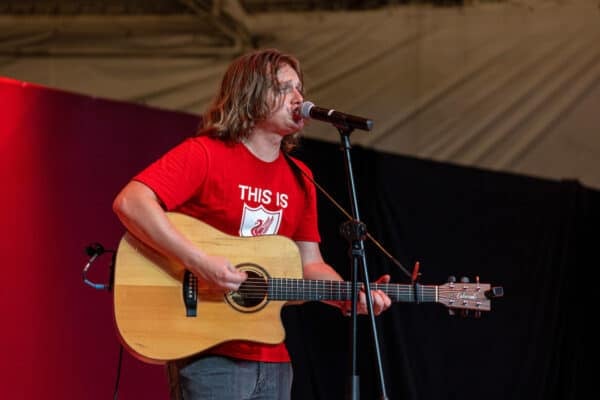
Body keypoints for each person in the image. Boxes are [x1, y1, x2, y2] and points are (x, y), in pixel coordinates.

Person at [112, 48, 392, 400]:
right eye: (283, 88)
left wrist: (346, 296)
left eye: (299, 88)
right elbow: (131, 202)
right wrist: (199, 262)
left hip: (273, 356)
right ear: (250, 94)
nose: (299, 98)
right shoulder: (206, 154)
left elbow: (310, 264)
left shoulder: (300, 176)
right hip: (210, 351)